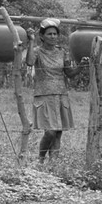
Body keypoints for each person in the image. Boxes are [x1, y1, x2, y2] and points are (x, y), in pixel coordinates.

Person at [26, 18, 88, 163]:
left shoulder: (62, 52)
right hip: (44, 94)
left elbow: (69, 73)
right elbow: (29, 62)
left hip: (61, 94)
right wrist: (31, 41)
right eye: (49, 34)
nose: (53, 37)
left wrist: (81, 66)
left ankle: (53, 163)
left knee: (58, 132)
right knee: (50, 132)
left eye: (55, 34)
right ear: (42, 36)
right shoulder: (37, 51)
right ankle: (41, 159)